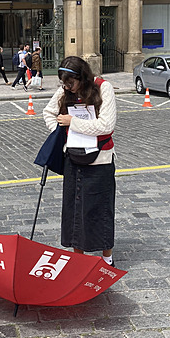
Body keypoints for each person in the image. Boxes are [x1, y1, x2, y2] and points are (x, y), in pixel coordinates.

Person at [42, 56, 117, 266]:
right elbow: (48, 113)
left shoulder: (104, 88)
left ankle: (107, 258)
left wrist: (72, 122)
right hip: (73, 157)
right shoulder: (65, 91)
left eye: (71, 83)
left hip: (99, 160)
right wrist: (62, 135)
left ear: (82, 77)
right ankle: (77, 259)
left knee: (101, 209)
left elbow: (106, 125)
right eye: (64, 84)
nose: (68, 88)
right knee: (74, 210)